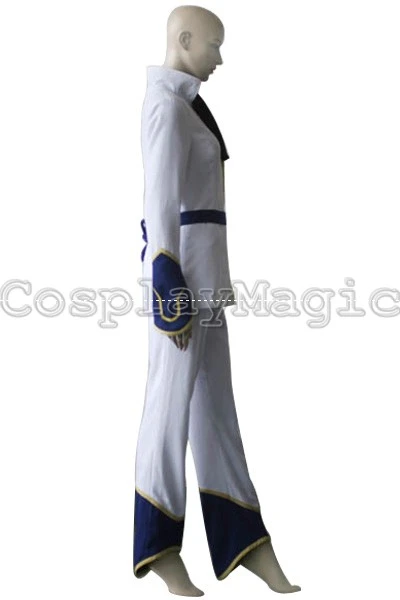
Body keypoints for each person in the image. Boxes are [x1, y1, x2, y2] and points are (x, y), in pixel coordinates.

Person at [134, 5, 301, 596]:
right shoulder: (166, 107)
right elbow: (159, 202)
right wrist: (167, 285)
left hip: (207, 285)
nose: (220, 57)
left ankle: (244, 543)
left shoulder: (188, 106)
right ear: (184, 40)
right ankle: (157, 546)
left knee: (216, 418)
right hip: (180, 291)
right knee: (167, 415)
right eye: (213, 45)